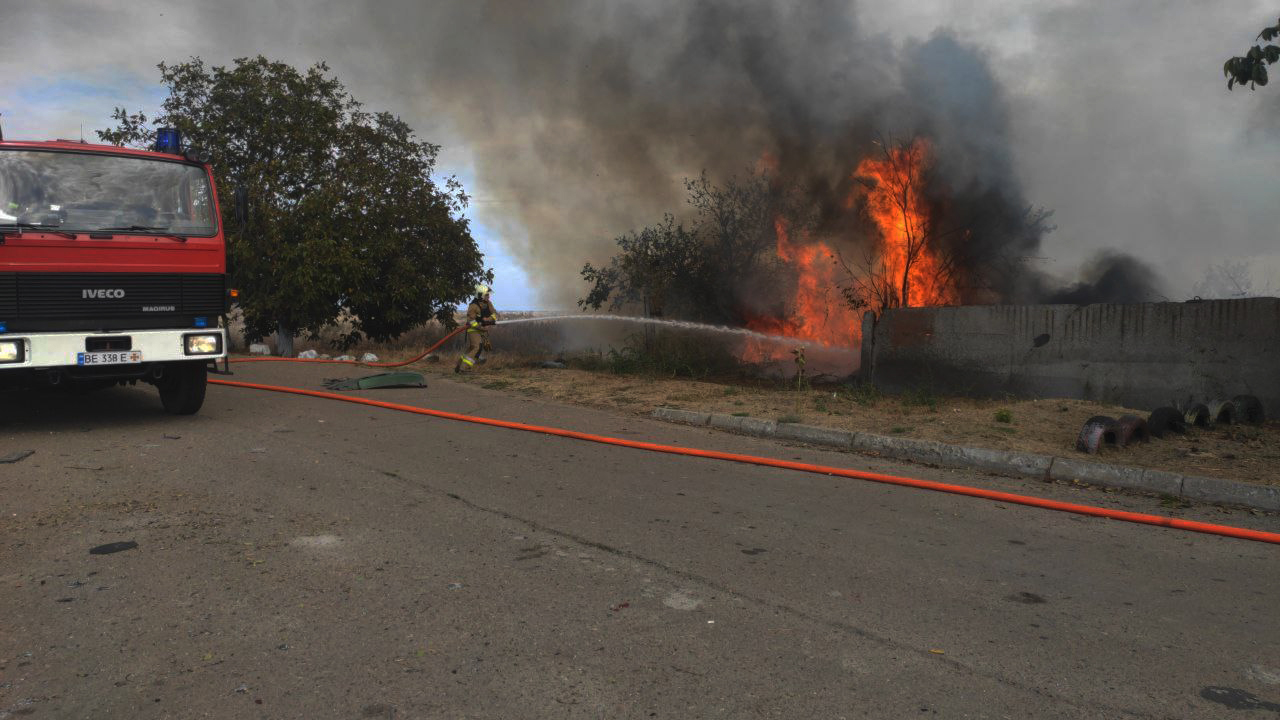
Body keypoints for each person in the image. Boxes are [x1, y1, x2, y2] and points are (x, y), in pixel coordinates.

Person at [455, 283, 499, 373]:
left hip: (482, 329)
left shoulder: (488, 303)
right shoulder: (473, 306)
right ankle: (464, 368)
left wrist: (488, 319)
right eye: (486, 294)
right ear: (480, 295)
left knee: (472, 348)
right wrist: (483, 327)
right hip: (474, 329)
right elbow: (471, 322)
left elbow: (494, 314)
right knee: (476, 347)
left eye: (488, 294)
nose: (488, 296)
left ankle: (459, 365)